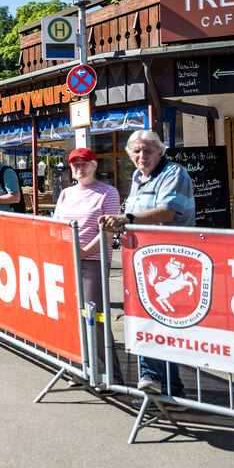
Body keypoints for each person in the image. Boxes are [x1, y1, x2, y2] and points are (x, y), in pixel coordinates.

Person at [100, 129, 195, 399]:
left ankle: (154, 378)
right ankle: (169, 391)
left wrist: (125, 218)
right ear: (130, 155)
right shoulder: (138, 178)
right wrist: (118, 221)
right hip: (144, 260)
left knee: (159, 321)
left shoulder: (173, 173)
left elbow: (166, 212)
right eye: (137, 151)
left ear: (160, 151)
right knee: (148, 319)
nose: (143, 155)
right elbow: (135, 214)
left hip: (171, 261)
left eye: (148, 150)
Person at [53, 148, 122, 386]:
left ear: (94, 165)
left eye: (84, 164)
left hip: (93, 261)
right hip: (66, 260)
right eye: (75, 165)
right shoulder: (65, 194)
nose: (79, 169)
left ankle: (109, 376)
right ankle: (81, 368)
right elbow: (57, 226)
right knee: (73, 317)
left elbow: (110, 230)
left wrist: (83, 252)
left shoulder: (108, 192)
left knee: (96, 317)